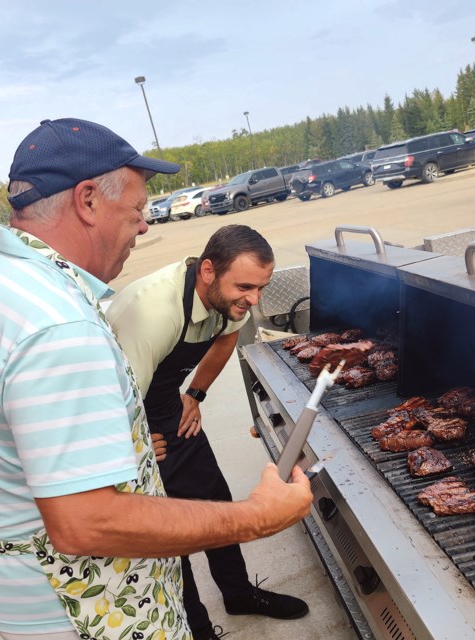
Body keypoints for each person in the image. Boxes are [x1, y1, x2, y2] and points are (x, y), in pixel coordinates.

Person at [0, 118, 312, 640]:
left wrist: (186, 401)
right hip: (86, 606)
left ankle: (235, 592)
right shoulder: (58, 325)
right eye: (137, 210)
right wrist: (257, 517)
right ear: (87, 201)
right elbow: (86, 522)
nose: (145, 226)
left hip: (23, 592)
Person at [106, 226, 308, 640]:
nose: (254, 301)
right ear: (209, 270)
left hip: (168, 406)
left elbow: (224, 341)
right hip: (124, 413)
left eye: (261, 288)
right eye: (246, 287)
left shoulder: (228, 301)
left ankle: (237, 594)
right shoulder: (153, 313)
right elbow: (108, 400)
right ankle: (196, 627)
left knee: (214, 500)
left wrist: (196, 393)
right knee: (167, 528)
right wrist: (135, 444)